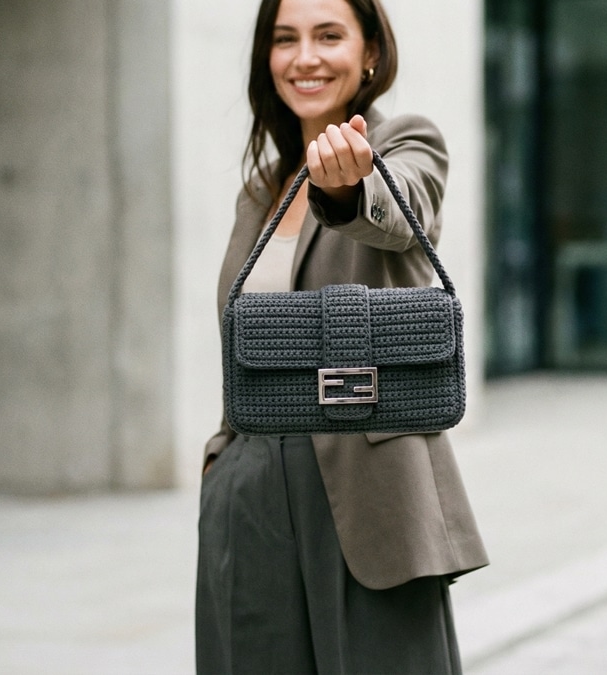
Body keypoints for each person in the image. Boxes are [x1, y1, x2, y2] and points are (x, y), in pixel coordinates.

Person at [196, 0, 488, 672]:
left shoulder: (406, 143)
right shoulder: (260, 192)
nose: (305, 57)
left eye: (329, 35)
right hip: (253, 491)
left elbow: (402, 207)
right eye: (285, 39)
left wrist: (351, 188)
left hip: (371, 493)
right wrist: (223, 455)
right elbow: (245, 339)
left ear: (370, 55)